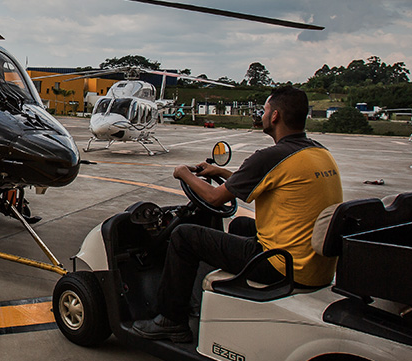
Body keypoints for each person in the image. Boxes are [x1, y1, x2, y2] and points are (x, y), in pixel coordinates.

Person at [132, 85, 342, 342]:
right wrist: (220, 173)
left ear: (275, 116)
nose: (262, 115)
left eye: (264, 110)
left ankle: (171, 320)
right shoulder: (317, 152)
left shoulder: (271, 156)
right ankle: (202, 300)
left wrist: (182, 172)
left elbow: (213, 197)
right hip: (314, 266)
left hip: (281, 266)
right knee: (242, 224)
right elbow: (266, 183)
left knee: (184, 236)